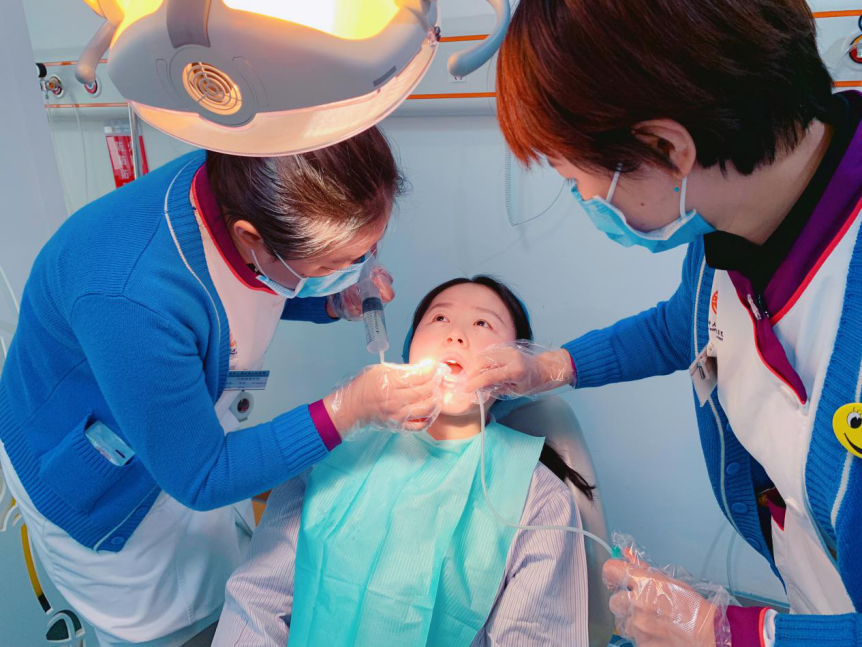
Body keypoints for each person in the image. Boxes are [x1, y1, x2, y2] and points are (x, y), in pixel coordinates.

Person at [470, 1, 862, 645]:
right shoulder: (733, 225)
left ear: (665, 148)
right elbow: (688, 325)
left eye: (573, 177)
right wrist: (553, 366)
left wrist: (726, 634)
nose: (583, 199)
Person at [0, 127, 446, 646]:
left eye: (366, 251)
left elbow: (248, 283)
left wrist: (330, 295)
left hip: (184, 438)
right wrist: (347, 409)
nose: (358, 269)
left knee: (229, 590)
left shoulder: (249, 180)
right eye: (333, 264)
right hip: (102, 481)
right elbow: (202, 475)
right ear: (251, 236)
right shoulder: (132, 298)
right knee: (176, 631)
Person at [214, 276, 592, 646]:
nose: (455, 335)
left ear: (518, 367)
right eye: (440, 318)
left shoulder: (537, 498)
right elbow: (259, 600)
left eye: (482, 323)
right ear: (410, 346)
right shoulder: (336, 447)